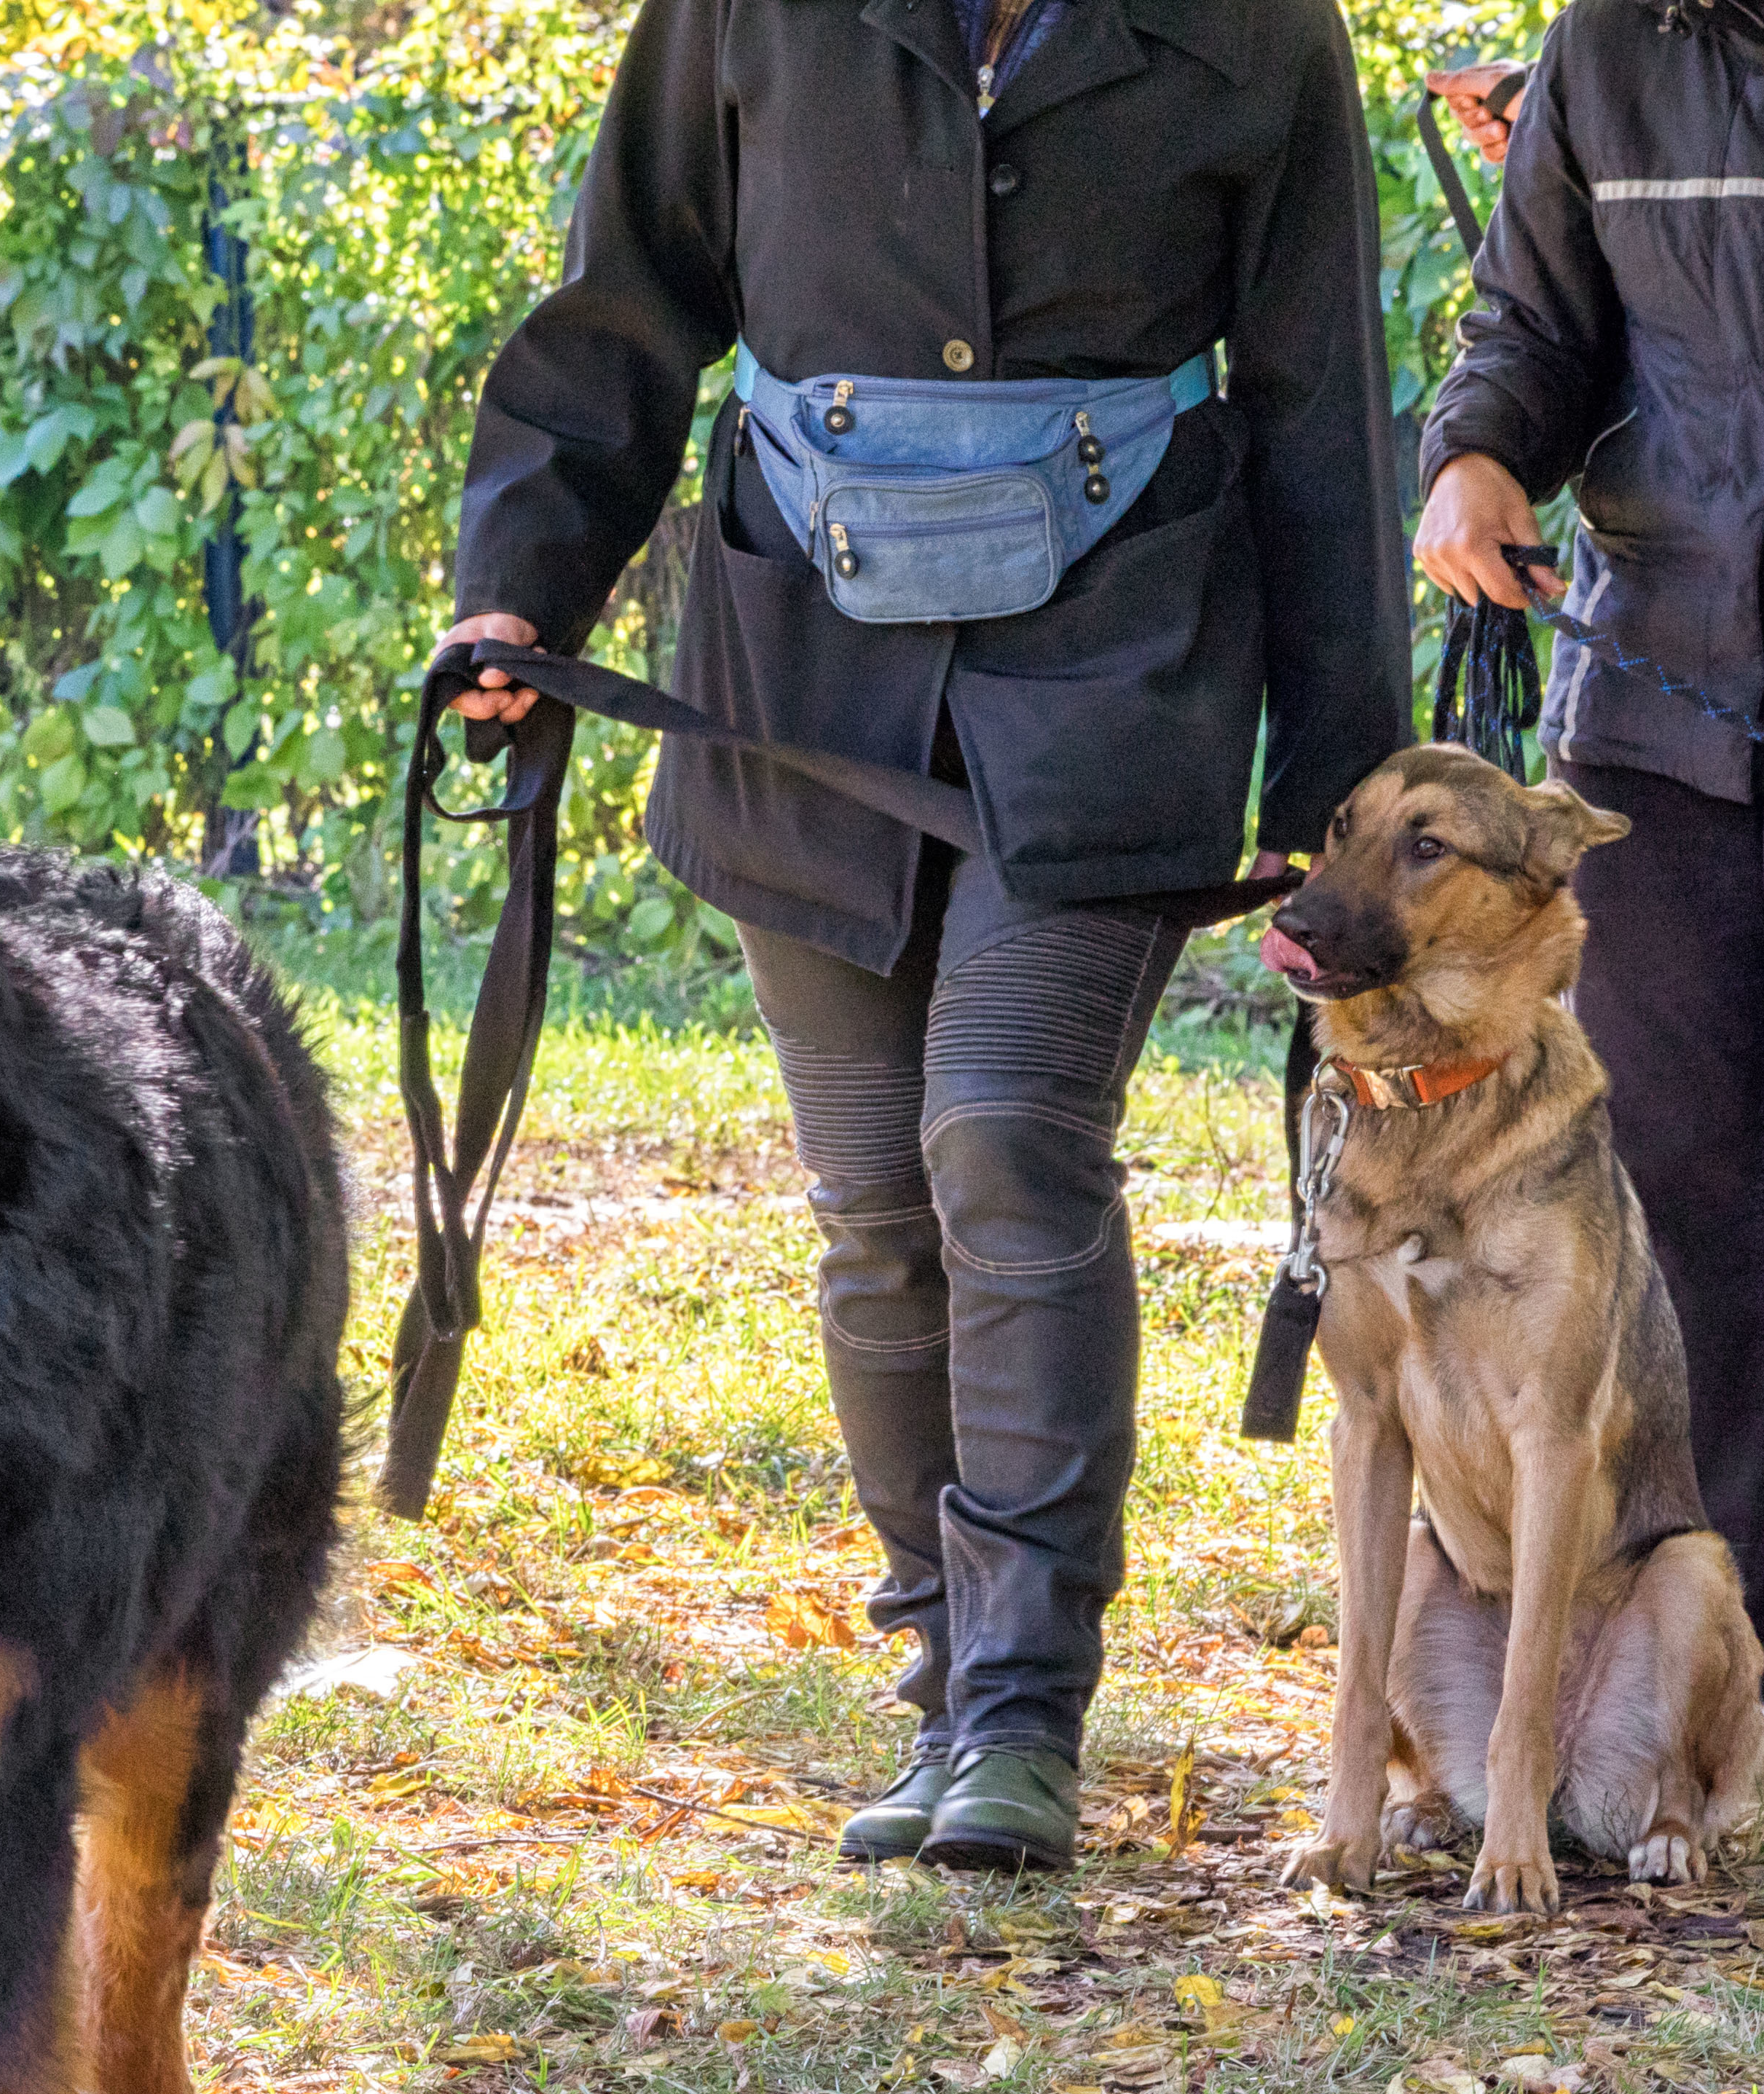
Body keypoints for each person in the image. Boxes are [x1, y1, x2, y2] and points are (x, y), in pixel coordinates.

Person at [447, 0, 1403, 1874]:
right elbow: (631, 297)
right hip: (799, 669)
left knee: (1008, 1138)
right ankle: (945, 1683)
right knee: (876, 1201)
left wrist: (1340, 766)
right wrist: (516, 587)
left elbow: (1319, 390)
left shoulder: (1260, 26)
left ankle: (1026, 1716)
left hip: (1127, 665)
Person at [1416, 0, 1764, 1781]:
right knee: (1677, 1211)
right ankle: (1736, 1669)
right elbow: (1535, 323)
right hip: (1656, 718)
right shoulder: (1613, 47)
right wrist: (1476, 454)